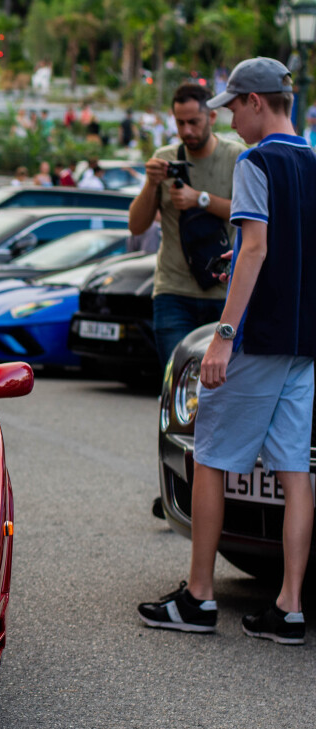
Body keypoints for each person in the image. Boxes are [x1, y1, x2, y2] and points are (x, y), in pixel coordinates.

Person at [139, 57, 316, 645]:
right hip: (302, 341)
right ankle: (289, 607)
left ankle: (199, 597)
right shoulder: (313, 161)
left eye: (235, 106)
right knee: (294, 471)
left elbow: (257, 248)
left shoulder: (254, 161)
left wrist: (224, 333)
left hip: (258, 337)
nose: (231, 118)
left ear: (258, 102)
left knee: (209, 453)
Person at [128, 83, 246, 371]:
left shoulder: (236, 156)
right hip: (173, 292)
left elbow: (251, 215)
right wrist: (151, 183)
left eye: (194, 121)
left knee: (219, 388)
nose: (187, 130)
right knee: (177, 382)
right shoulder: (166, 157)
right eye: (180, 123)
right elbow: (136, 225)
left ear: (212, 118)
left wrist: (200, 200)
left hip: (223, 293)